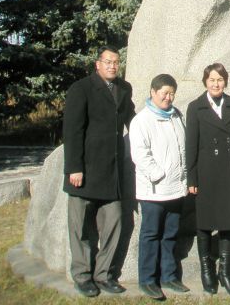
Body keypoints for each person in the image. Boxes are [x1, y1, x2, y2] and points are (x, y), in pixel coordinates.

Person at [62, 47, 135, 298]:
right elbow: (72, 131)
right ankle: (82, 276)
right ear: (97, 64)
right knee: (80, 228)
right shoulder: (81, 89)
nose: (113, 66)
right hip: (84, 172)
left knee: (115, 222)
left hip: (111, 173)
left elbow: (132, 121)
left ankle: (104, 274)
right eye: (108, 62)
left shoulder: (124, 89)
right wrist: (74, 168)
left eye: (116, 62)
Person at [186, 63, 230, 297]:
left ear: (225, 82)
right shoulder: (195, 107)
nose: (216, 84)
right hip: (206, 170)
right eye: (211, 79)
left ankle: (225, 272)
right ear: (205, 82)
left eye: (220, 79)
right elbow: (191, 145)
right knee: (204, 222)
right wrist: (192, 177)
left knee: (228, 221)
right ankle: (206, 270)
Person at [129, 74, 190, 300]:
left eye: (171, 93)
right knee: (151, 235)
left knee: (171, 235)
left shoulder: (176, 116)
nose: (168, 97)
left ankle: (169, 275)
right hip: (154, 191)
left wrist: (183, 177)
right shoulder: (142, 120)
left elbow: (182, 149)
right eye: (164, 93)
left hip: (176, 189)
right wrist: (159, 175)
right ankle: (147, 280)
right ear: (153, 92)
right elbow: (140, 155)